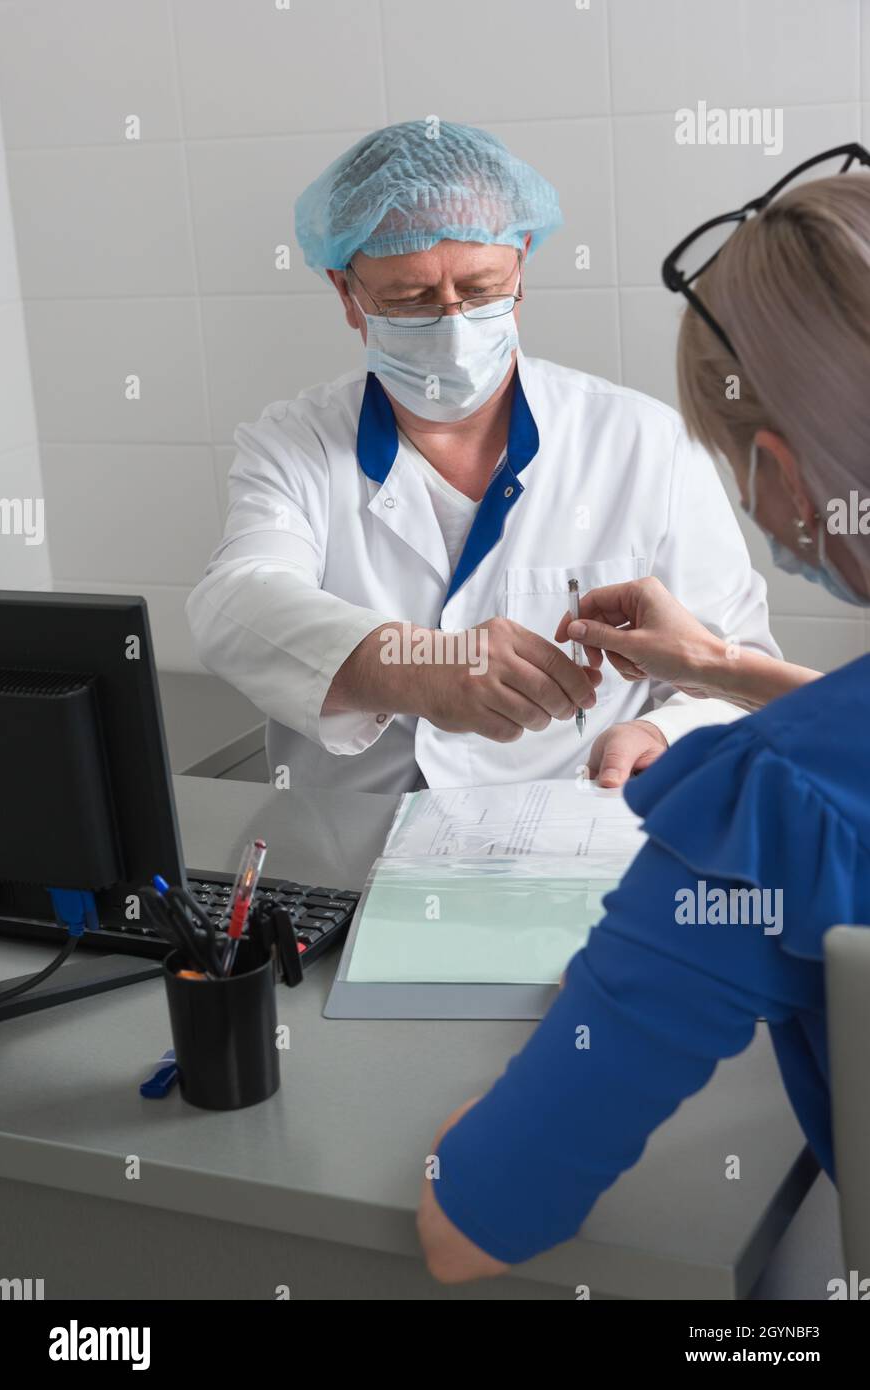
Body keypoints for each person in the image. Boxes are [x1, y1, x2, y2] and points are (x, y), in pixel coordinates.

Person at [417, 152, 870, 1282]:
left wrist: (498, 1101)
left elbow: (473, 1225)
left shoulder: (767, 800)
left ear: (779, 474)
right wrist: (721, 666)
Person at [187, 119, 776, 794]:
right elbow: (234, 607)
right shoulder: (292, 444)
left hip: (568, 835)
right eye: (408, 301)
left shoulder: (644, 443)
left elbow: (735, 669)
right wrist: (417, 665)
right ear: (347, 294)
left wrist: (659, 732)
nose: (453, 326)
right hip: (349, 851)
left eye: (480, 290)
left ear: (521, 260)